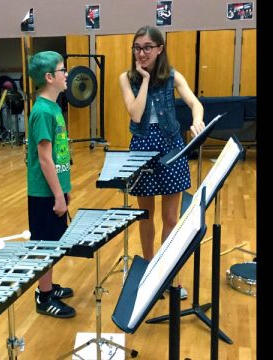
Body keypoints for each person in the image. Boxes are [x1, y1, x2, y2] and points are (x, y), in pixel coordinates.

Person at [119, 25, 205, 300]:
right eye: (137, 47)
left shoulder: (173, 76)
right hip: (142, 147)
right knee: (146, 216)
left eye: (147, 48)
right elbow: (135, 114)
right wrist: (143, 80)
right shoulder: (127, 78)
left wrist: (197, 119)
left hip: (171, 146)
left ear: (160, 49)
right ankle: (149, 268)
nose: (141, 53)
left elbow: (195, 103)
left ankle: (167, 273)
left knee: (171, 218)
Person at [27, 51, 76, 318]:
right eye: (62, 70)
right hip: (43, 193)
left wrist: (64, 188)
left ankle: (49, 285)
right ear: (49, 77)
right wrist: (57, 195)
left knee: (55, 242)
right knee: (44, 245)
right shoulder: (42, 111)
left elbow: (59, 155)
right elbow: (45, 158)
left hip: (55, 190)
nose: (66, 74)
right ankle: (43, 296)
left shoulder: (54, 107)